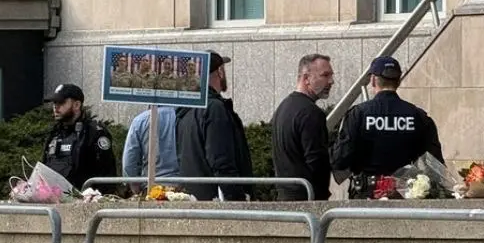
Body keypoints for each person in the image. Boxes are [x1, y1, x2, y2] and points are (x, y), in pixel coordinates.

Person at [329, 56, 445, 198]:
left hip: (366, 194)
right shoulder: (418, 116)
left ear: (372, 80)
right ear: (399, 80)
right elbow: (435, 164)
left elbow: (340, 160)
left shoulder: (358, 114)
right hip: (405, 194)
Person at [175, 50, 254, 202]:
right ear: (220, 72)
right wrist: (238, 199)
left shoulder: (185, 111)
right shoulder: (214, 108)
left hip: (197, 200)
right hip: (218, 203)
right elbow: (221, 161)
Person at [270, 53, 334, 201]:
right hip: (306, 198)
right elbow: (317, 161)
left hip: (285, 195)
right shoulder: (310, 113)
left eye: (331, 75)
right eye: (325, 75)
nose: (331, 81)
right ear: (306, 78)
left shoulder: (282, 108)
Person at [41, 83, 117, 191]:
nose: (55, 107)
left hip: (84, 201)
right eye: (54, 103)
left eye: (61, 102)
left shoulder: (94, 133)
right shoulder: (54, 132)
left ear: (77, 105)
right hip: (53, 199)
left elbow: (107, 175)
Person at [121, 105, 179, 194]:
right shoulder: (185, 117)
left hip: (152, 188)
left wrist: (134, 186)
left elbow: (129, 161)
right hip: (183, 187)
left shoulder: (140, 120)